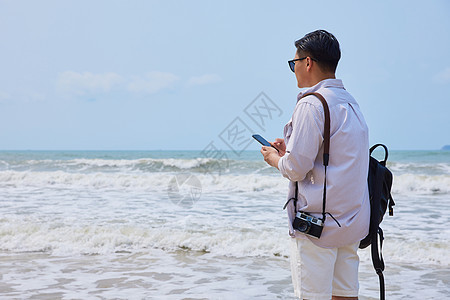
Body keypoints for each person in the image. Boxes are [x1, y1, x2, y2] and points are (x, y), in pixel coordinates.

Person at [260, 30, 370, 300]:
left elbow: (296, 169)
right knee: (345, 295)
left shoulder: (311, 104)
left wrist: (275, 159)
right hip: (351, 221)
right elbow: (334, 156)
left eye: (293, 63)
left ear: (307, 62)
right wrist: (291, 152)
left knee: (313, 296)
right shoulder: (349, 102)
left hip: (317, 226)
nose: (293, 69)